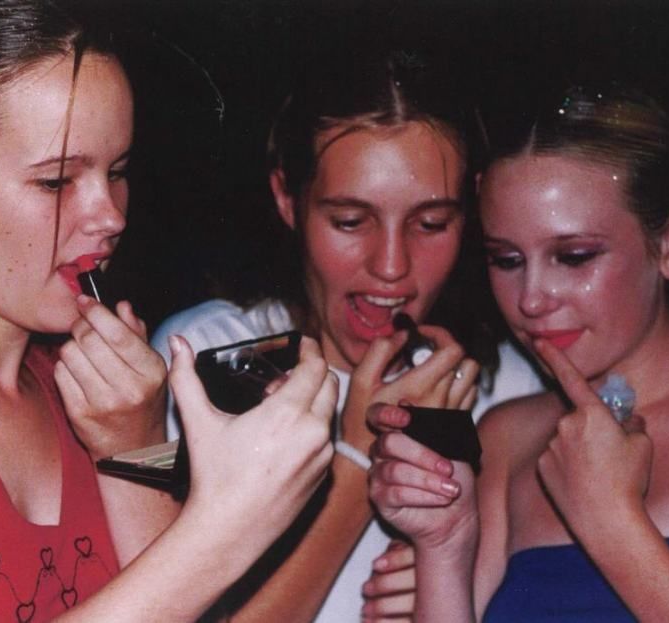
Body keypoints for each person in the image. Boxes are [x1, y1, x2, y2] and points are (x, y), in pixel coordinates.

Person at [0, 1, 337, 620]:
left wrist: (135, 442)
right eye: (56, 182)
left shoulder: (99, 393)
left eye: (118, 172)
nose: (110, 215)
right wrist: (225, 526)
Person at [151, 49, 543, 622]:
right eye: (350, 221)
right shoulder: (208, 360)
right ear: (289, 198)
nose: (391, 266)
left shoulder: (508, 391)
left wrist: (461, 572)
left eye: (432, 223)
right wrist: (357, 456)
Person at [365, 85, 669, 621]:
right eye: (505, 260)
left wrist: (613, 526)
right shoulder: (507, 439)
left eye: (573, 257)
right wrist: (444, 547)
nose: (530, 298)